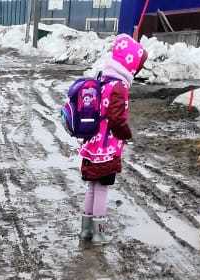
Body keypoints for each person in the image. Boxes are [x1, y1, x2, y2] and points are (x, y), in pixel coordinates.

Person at [77, 34, 148, 244]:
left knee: (91, 187)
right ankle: (99, 233)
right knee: (102, 189)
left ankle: (85, 230)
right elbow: (117, 118)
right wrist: (127, 134)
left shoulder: (102, 79)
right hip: (106, 148)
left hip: (92, 145)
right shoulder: (119, 86)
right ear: (130, 64)